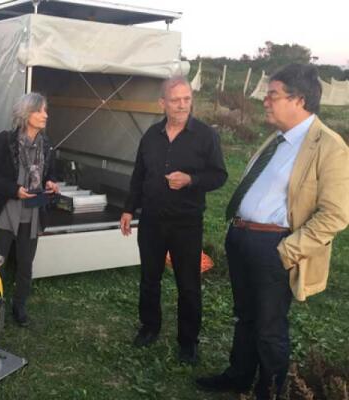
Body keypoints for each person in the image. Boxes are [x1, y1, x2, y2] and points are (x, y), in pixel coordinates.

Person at [196, 64, 349, 399]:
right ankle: (239, 377)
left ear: (299, 99)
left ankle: (271, 390)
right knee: (245, 316)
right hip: (242, 238)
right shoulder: (277, 138)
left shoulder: (329, 146)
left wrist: (287, 250)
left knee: (269, 327)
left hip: (274, 245)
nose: (265, 101)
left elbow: (335, 215)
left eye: (273, 95)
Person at [120, 76, 227, 364]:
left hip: (186, 223)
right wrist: (129, 209)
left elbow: (219, 175)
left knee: (188, 284)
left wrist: (191, 179)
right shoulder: (151, 136)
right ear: (162, 103)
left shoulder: (205, 136)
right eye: (176, 100)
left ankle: (188, 342)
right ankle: (149, 327)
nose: (182, 105)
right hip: (152, 221)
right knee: (149, 278)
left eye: (187, 99)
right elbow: (139, 176)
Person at [0, 92, 59, 327]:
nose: (45, 115)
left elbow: (49, 174)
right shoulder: (5, 141)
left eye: (45, 110)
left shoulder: (47, 145)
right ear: (26, 114)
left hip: (33, 213)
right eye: (40, 110)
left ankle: (19, 307)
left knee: (26, 265)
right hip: (5, 212)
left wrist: (51, 183)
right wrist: (14, 190)